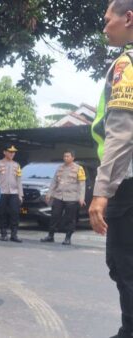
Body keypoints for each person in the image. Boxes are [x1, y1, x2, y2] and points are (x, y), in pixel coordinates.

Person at [89, 1, 133, 336]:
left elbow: (121, 133)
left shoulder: (127, 65)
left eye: (108, 20)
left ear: (128, 18)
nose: (104, 27)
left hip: (127, 187)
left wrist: (102, 191)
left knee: (124, 265)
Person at [40, 150, 86, 245]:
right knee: (54, 216)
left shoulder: (79, 168)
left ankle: (67, 238)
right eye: (64, 156)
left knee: (70, 219)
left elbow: (82, 184)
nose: (65, 158)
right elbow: (54, 182)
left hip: (72, 197)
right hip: (58, 196)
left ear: (73, 158)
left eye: (68, 156)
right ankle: (50, 236)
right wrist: (49, 193)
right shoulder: (60, 168)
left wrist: (81, 198)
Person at [0, 144, 24, 242]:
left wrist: (20, 195)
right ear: (4, 152)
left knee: (15, 214)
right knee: (2, 213)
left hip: (14, 193)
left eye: (13, 152)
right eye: (10, 152)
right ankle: (3, 234)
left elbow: (19, 180)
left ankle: (14, 235)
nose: (12, 154)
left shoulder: (17, 165)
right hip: (1, 192)